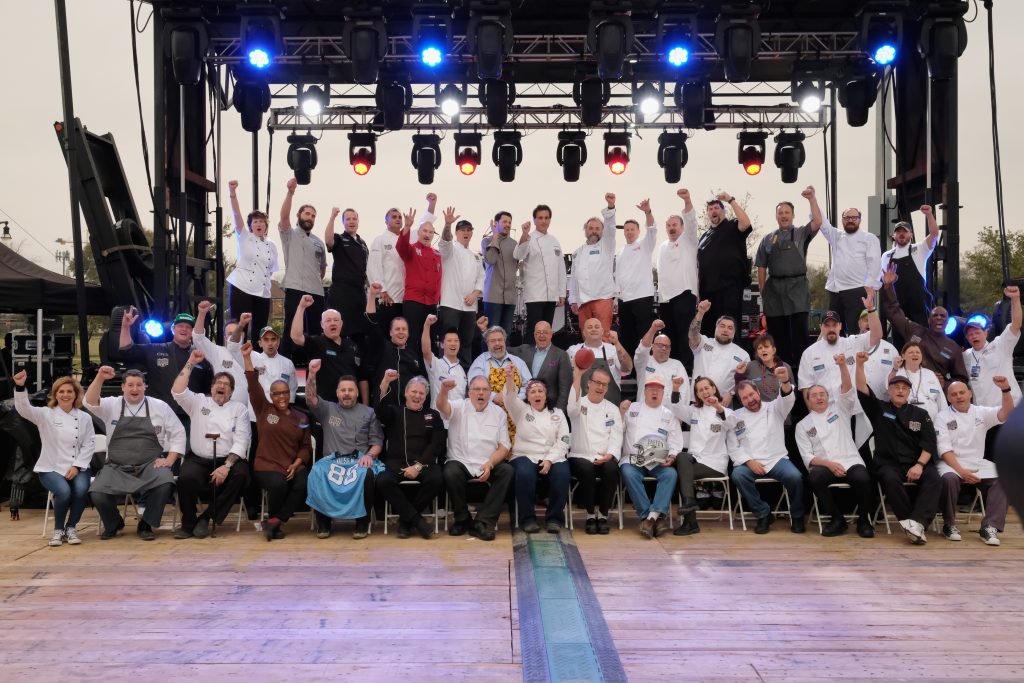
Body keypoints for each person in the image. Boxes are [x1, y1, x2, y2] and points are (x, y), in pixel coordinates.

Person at [85, 367, 186, 541]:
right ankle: (114, 523)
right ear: (123, 387)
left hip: (149, 465)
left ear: (145, 387)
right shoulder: (112, 404)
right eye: (130, 385)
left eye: (139, 385)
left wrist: (170, 459)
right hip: (116, 466)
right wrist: (100, 378)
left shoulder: (159, 406)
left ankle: (146, 524)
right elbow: (90, 402)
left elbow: (178, 433)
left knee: (165, 483)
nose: (135, 389)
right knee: (97, 492)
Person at [854, 352, 940, 545]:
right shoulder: (879, 409)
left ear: (909, 392)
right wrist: (859, 365)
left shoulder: (921, 413)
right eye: (896, 387)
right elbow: (861, 388)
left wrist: (919, 465)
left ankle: (916, 523)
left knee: (934, 478)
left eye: (904, 388)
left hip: (916, 462)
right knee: (890, 479)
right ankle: (913, 524)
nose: (900, 391)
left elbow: (929, 443)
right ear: (889, 390)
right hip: (888, 464)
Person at [170, 350, 252, 540]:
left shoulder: (239, 409)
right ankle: (188, 523)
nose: (222, 387)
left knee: (242, 475)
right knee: (186, 478)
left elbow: (242, 440)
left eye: (226, 385)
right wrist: (190, 363)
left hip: (227, 459)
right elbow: (177, 390)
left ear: (231, 391)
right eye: (218, 383)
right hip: (199, 459)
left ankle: (207, 517)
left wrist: (226, 466)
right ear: (212, 387)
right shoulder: (198, 402)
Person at [795, 354, 875, 538]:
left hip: (850, 460)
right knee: (815, 477)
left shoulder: (840, 408)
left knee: (863, 478)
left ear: (828, 396)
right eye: (814, 395)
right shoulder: (803, 425)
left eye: (822, 394)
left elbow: (847, 389)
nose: (819, 397)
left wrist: (842, 366)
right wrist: (829, 465)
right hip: (826, 465)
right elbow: (807, 456)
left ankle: (864, 519)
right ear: (808, 400)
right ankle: (837, 519)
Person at [13, 371, 95, 546]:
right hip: (50, 467)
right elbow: (23, 409)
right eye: (61, 391)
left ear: (76, 394)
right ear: (55, 394)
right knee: (63, 492)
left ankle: (71, 528)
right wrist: (20, 387)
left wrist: (77, 467)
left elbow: (89, 444)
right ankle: (58, 531)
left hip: (78, 466)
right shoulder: (45, 414)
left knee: (81, 491)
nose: (65, 395)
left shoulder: (85, 417)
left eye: (69, 392)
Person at [242, 342, 312, 542]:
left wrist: (298, 463)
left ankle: (275, 521)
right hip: (267, 465)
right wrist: (247, 358)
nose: (281, 396)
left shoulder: (301, 418)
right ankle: (276, 521)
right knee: (279, 484)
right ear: (270, 396)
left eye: (284, 392)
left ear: (289, 393)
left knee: (305, 481)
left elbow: (306, 447)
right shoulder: (264, 409)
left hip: (292, 465)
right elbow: (253, 385)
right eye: (276, 393)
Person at [304, 366, 383, 539]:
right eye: (343, 390)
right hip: (332, 461)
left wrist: (369, 456)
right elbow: (310, 398)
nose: (346, 393)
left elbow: (377, 441)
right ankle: (323, 523)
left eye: (350, 390)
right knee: (316, 471)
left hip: (358, 461)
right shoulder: (327, 409)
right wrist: (311, 374)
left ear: (357, 393)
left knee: (368, 474)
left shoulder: (368, 412)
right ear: (337, 393)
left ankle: (362, 522)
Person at [935, 376, 1015, 546]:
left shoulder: (981, 412)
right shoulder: (942, 417)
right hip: (952, 463)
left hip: (977, 462)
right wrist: (961, 471)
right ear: (949, 398)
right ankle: (949, 524)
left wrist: (1005, 390)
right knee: (949, 479)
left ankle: (990, 527)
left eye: (962, 392)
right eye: (954, 394)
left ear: (970, 394)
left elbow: (1005, 413)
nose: (959, 396)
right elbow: (944, 450)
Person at [436, 375, 514, 541]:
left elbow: (504, 445)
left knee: (507, 471)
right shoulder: (459, 406)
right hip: (461, 461)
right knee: (450, 471)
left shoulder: (498, 413)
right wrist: (444, 390)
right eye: (476, 389)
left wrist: (491, 463)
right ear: (469, 392)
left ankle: (483, 522)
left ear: (490, 393)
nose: (481, 393)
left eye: (485, 390)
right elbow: (442, 406)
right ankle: (462, 519)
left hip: (487, 462)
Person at [753, 186, 823, 366]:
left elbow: (817, 222)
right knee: (778, 338)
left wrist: (811, 199)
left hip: (797, 290)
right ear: (776, 216)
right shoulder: (768, 239)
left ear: (793, 215)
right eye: (780, 213)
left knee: (799, 336)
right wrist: (763, 292)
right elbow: (761, 265)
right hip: (774, 293)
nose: (783, 215)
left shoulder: (800, 233)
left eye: (787, 212)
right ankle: (782, 375)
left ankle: (802, 375)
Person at [731, 367, 805, 534]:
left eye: (752, 394)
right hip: (751, 462)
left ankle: (798, 516)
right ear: (740, 401)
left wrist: (785, 381)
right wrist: (749, 462)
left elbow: (786, 398)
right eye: (745, 398)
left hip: (776, 460)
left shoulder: (774, 408)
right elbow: (732, 446)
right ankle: (763, 514)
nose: (750, 400)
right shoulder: (735, 417)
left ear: (757, 391)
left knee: (795, 477)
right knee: (738, 475)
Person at [375, 370, 445, 540]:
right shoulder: (394, 412)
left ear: (426, 396)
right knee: (383, 481)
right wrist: (385, 383)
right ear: (406, 393)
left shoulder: (433, 415)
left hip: (423, 463)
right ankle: (417, 521)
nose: (417, 396)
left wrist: (418, 466)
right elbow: (379, 410)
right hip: (396, 462)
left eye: (421, 393)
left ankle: (406, 522)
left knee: (436, 479)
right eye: (413, 391)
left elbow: (436, 444)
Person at [501, 366, 571, 533]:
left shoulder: (558, 413)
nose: (537, 394)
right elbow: (509, 397)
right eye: (532, 391)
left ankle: (554, 518)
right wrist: (510, 378)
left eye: (540, 391)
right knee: (524, 473)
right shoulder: (521, 410)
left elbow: (564, 440)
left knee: (562, 474)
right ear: (527, 396)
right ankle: (527, 518)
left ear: (546, 395)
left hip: (553, 455)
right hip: (525, 454)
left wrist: (549, 459)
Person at [117, 308, 213, 428]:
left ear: (192, 331)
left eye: (188, 327)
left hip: (190, 417)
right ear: (173, 329)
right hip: (159, 414)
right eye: (180, 326)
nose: (184, 329)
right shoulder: (156, 349)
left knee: (190, 447)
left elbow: (208, 391)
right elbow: (126, 350)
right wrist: (125, 327)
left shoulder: (201, 357)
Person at [881, 263, 969, 384]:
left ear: (947, 322)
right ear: (929, 320)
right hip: (909, 387)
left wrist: (945, 383)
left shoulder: (954, 348)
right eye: (935, 315)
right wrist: (889, 287)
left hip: (934, 394)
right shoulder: (915, 331)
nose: (939, 318)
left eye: (943, 316)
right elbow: (894, 312)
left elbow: (961, 379)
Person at [668, 375, 734, 536]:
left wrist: (718, 407)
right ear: (697, 395)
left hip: (715, 463)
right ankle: (690, 503)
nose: (704, 392)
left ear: (713, 389)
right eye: (700, 390)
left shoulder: (726, 411)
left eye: (706, 388)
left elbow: (731, 423)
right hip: (694, 460)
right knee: (682, 457)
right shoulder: (694, 411)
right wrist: (676, 388)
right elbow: (675, 407)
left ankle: (691, 522)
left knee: (682, 474)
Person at [619, 376, 682, 538]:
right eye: (651, 389)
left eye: (658, 390)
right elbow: (618, 430)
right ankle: (653, 517)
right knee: (628, 473)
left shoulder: (669, 414)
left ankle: (649, 520)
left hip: (658, 461)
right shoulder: (632, 408)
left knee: (671, 474)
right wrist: (621, 413)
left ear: (663, 393)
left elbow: (676, 440)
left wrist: (672, 456)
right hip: (633, 459)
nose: (655, 392)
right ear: (644, 392)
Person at [566, 365, 623, 535]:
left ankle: (603, 515)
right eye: (597, 382)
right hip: (580, 456)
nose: (600, 387)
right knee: (586, 468)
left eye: (604, 384)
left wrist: (610, 455)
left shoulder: (612, 409)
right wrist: (578, 375)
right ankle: (590, 515)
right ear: (588, 384)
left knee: (612, 468)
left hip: (604, 457)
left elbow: (616, 436)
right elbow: (570, 406)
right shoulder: (579, 405)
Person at [798, 292, 882, 403]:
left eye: (834, 325)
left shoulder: (852, 342)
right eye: (827, 325)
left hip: (854, 409)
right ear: (820, 327)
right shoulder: (809, 353)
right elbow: (806, 388)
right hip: (826, 411)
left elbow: (876, 335)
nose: (831, 329)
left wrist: (871, 309)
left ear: (840, 326)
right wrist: (815, 417)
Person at [277, 177, 327, 359]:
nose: (310, 217)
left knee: (315, 331)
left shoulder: (319, 242)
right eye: (307, 214)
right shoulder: (289, 234)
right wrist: (290, 192)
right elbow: (283, 217)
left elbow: (322, 269)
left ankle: (314, 368)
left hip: (317, 292)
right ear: (299, 216)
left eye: (313, 215)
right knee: (291, 327)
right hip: (295, 288)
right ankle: (285, 367)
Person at [877, 205, 940, 347]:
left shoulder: (920, 249)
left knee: (920, 342)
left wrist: (929, 215)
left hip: (918, 307)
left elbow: (935, 234)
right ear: (894, 236)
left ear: (910, 234)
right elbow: (882, 280)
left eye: (904, 232)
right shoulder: (887, 255)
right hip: (898, 306)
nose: (901, 234)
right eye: (898, 232)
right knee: (900, 342)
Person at [226, 179, 279, 340]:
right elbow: (236, 214)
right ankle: (236, 359)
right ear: (250, 225)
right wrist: (233, 193)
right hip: (242, 288)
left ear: (266, 226)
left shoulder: (271, 244)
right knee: (240, 326)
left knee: (261, 330)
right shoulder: (244, 237)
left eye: (262, 221)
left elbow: (270, 271)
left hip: (262, 292)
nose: (259, 224)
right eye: (255, 221)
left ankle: (259, 361)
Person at [290, 294, 367, 404]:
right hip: (326, 406)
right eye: (328, 320)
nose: (332, 323)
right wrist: (301, 307)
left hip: (352, 406)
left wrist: (365, 405)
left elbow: (362, 378)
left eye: (336, 320)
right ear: (322, 324)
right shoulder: (317, 343)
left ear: (341, 323)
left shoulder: (353, 346)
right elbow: (296, 337)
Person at [696, 192, 753, 337]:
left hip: (729, 290)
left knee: (728, 327)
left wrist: (730, 200)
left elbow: (746, 223)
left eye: (716, 208)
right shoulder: (704, 236)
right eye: (710, 209)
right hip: (708, 292)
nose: (713, 211)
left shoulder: (732, 226)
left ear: (723, 211)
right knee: (709, 331)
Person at [819, 206, 882, 333]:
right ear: (842, 220)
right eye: (847, 218)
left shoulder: (869, 238)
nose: (850, 220)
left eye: (854, 218)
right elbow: (822, 223)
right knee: (834, 330)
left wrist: (869, 287)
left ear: (860, 220)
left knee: (856, 331)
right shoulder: (837, 236)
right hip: (835, 290)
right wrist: (812, 199)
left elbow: (874, 264)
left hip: (857, 290)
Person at [656, 188, 699, 367]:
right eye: (669, 225)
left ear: (682, 227)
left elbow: (691, 219)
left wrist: (687, 201)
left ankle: (687, 367)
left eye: (675, 225)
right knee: (668, 334)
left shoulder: (688, 240)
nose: (672, 228)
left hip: (684, 294)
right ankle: (670, 366)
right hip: (665, 298)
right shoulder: (663, 246)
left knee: (684, 333)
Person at [437, 207, 485, 366]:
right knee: (447, 342)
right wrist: (447, 225)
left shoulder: (476, 256)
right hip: (450, 303)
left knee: (466, 343)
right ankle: (444, 371)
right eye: (462, 230)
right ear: (457, 233)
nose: (466, 232)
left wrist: (475, 294)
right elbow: (444, 243)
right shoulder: (450, 250)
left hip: (469, 307)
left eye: (469, 230)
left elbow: (481, 278)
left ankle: (465, 374)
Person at [365, 284, 426, 404]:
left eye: (404, 329)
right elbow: (371, 322)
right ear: (390, 333)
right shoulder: (382, 347)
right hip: (383, 409)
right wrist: (372, 295)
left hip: (407, 412)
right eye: (397, 329)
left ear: (408, 334)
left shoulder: (413, 354)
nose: (401, 332)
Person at [964, 286, 1022, 410]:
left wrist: (1015, 299)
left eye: (977, 332)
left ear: (986, 333)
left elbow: (1016, 324)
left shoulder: (1000, 345)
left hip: (1010, 410)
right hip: (984, 415)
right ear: (967, 338)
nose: (974, 336)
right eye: (970, 334)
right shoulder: (966, 355)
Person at [568, 193, 618, 335]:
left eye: (597, 228)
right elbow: (574, 277)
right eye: (591, 228)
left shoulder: (607, 245)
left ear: (602, 231)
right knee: (586, 335)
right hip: (583, 301)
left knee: (604, 335)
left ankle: (604, 358)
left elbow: (611, 228)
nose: (594, 231)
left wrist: (610, 207)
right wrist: (573, 299)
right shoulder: (578, 252)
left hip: (602, 298)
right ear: (585, 231)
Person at [615, 198, 658, 360]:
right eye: (626, 229)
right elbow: (617, 276)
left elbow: (652, 229)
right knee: (626, 335)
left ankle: (647, 366)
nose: (629, 232)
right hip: (624, 299)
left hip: (642, 297)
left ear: (638, 231)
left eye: (632, 229)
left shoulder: (645, 244)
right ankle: (629, 370)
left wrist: (647, 212)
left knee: (643, 335)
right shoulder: (620, 252)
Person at [514, 204, 566, 334]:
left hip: (552, 295)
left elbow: (560, 269)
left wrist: (561, 293)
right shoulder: (528, 238)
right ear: (534, 220)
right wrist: (524, 235)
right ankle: (529, 354)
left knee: (547, 330)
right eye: (540, 218)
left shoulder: (555, 241)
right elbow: (518, 255)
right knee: (534, 330)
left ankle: (545, 354)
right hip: (535, 295)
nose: (544, 221)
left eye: (546, 218)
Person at [396, 205, 442, 350]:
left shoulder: (437, 254)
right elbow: (401, 246)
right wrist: (407, 227)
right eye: (424, 231)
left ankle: (428, 370)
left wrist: (436, 299)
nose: (427, 234)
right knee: (413, 338)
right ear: (419, 232)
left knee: (430, 340)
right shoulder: (411, 249)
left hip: (431, 304)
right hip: (413, 301)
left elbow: (439, 278)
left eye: (431, 232)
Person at [689, 300, 751, 407]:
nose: (726, 330)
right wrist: (700, 313)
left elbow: (744, 382)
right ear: (716, 328)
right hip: (698, 401)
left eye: (730, 328)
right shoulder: (703, 342)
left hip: (723, 404)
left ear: (734, 332)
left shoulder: (742, 355)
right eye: (722, 326)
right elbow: (692, 334)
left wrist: (732, 394)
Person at [324, 206, 370, 343]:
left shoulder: (363, 244)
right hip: (341, 293)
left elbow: (367, 269)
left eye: (354, 218)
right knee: (339, 331)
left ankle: (360, 363)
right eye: (348, 219)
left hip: (359, 294)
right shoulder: (339, 238)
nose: (351, 221)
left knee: (360, 333)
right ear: (343, 222)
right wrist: (332, 217)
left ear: (358, 221)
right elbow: (328, 240)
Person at [508, 320, 572, 413]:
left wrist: (558, 414)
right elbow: (500, 348)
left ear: (551, 334)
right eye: (538, 333)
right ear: (534, 335)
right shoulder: (524, 350)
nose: (541, 335)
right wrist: (485, 331)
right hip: (525, 407)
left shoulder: (561, 355)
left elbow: (564, 391)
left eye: (545, 332)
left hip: (550, 409)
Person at [567, 318, 633, 406]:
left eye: (597, 327)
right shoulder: (573, 350)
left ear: (602, 331)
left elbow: (628, 368)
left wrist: (616, 343)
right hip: (582, 408)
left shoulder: (613, 349)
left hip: (610, 407)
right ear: (584, 332)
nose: (593, 329)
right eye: (590, 327)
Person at [367, 206, 408, 338]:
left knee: (402, 337)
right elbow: (374, 267)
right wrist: (382, 290)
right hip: (388, 298)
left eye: (400, 217)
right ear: (386, 221)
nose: (398, 219)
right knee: (386, 336)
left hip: (405, 299)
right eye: (394, 217)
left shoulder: (406, 240)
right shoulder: (380, 240)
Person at [421, 314, 468, 426]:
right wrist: (427, 325)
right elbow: (426, 350)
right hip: (438, 421)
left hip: (457, 422)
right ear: (442, 344)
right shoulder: (436, 363)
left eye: (456, 341)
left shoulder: (462, 370)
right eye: (449, 340)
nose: (453, 343)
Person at [634, 319, 690, 407]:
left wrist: (678, 416)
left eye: (667, 346)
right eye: (660, 345)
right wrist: (653, 329)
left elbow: (685, 392)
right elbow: (642, 349)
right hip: (644, 413)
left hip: (669, 416)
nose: (664, 348)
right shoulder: (644, 361)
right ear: (652, 347)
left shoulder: (677, 365)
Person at [482, 210, 519, 335]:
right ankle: (487, 355)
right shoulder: (487, 241)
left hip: (510, 298)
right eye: (504, 221)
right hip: (493, 297)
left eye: (509, 222)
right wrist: (495, 237)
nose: (507, 224)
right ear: (496, 223)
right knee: (491, 334)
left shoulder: (515, 244)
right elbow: (491, 259)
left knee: (506, 335)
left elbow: (515, 267)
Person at [891, 342, 947, 420]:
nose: (915, 354)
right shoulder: (895, 373)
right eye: (911, 352)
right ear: (903, 356)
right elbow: (888, 389)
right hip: (906, 420)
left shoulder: (930, 373)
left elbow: (941, 400)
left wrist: (944, 420)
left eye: (918, 352)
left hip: (931, 421)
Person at [856, 309, 899, 401]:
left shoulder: (891, 349)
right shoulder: (850, 344)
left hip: (883, 404)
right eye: (865, 320)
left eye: (871, 321)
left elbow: (898, 377)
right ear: (859, 323)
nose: (869, 324)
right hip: (857, 404)